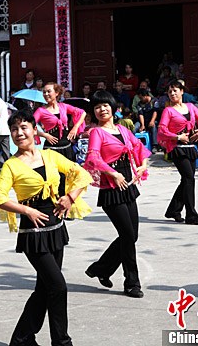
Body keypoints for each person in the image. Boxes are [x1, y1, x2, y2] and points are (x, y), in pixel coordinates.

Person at [0, 109, 92, 346]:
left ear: (35, 130)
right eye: (14, 129)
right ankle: (62, 342)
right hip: (33, 232)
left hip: (56, 226)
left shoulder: (50, 156)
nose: (19, 133)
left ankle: (22, 338)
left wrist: (70, 197)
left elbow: (82, 174)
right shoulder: (11, 165)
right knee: (58, 286)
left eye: (24, 127)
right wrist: (26, 210)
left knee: (45, 287)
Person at [83, 90, 150, 298]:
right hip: (111, 188)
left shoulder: (122, 129)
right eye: (97, 107)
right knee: (128, 236)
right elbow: (93, 157)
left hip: (128, 185)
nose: (102, 109)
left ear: (113, 108)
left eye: (105, 105)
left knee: (131, 235)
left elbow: (139, 147)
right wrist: (112, 173)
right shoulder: (97, 132)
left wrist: (142, 165)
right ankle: (131, 282)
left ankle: (100, 268)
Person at [157, 80, 198, 225]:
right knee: (189, 179)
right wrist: (177, 137)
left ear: (182, 91)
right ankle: (191, 215)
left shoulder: (191, 107)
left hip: (191, 148)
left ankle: (173, 210)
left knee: (186, 180)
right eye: (170, 92)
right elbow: (162, 130)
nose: (172, 94)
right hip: (177, 148)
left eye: (175, 90)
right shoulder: (168, 111)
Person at [34, 82, 86, 196]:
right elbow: (29, 126)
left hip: (66, 147)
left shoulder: (63, 106)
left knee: (68, 177)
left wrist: (75, 128)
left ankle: (67, 204)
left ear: (56, 93)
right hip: (51, 149)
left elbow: (82, 113)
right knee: (54, 178)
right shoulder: (41, 111)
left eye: (49, 91)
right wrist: (44, 135)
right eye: (44, 92)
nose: (46, 94)